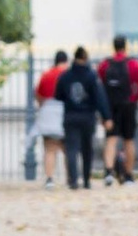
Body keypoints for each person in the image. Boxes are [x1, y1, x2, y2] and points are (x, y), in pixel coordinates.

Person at [57, 43, 106, 189]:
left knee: (71, 149)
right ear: (85, 58)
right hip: (87, 116)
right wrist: (105, 116)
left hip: (70, 115)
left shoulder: (65, 76)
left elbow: (58, 95)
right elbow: (99, 98)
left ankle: (73, 180)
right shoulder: (91, 76)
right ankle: (86, 180)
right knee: (87, 149)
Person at [99, 34, 138, 183]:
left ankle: (108, 172)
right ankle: (128, 175)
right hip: (128, 106)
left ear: (113, 46)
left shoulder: (105, 64)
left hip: (111, 106)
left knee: (111, 139)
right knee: (129, 140)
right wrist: (133, 100)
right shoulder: (133, 64)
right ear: (125, 46)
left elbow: (100, 86)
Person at [33, 50, 66, 187]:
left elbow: (39, 95)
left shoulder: (46, 75)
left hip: (48, 113)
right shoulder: (67, 75)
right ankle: (71, 177)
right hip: (64, 112)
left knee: (50, 148)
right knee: (68, 148)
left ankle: (49, 178)